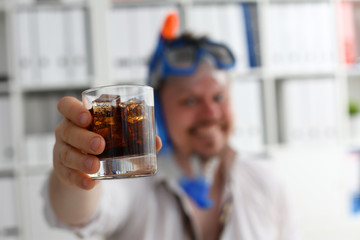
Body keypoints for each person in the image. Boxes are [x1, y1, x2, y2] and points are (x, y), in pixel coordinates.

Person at [44, 12, 300, 240]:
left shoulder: (266, 181)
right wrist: (74, 172)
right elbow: (76, 213)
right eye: (189, 100)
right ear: (159, 112)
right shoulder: (131, 180)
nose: (210, 112)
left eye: (219, 97)